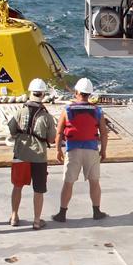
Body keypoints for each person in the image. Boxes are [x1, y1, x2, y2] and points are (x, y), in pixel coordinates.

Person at [52, 78, 108, 222]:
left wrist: (58, 150)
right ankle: (97, 212)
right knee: (94, 182)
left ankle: (62, 214)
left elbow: (59, 132)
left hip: (73, 150)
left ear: (76, 92)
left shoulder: (67, 110)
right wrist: (104, 150)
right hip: (92, 150)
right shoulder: (98, 110)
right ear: (89, 94)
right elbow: (103, 132)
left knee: (68, 182)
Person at [7, 78, 56, 229]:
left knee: (17, 186)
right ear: (43, 95)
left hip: (20, 155)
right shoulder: (46, 117)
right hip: (39, 157)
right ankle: (36, 220)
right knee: (39, 190)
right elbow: (52, 139)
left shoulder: (19, 112)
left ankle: (14, 216)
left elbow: (11, 129)